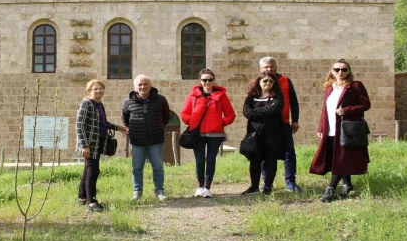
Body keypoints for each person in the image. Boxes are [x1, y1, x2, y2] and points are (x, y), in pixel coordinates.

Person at [309, 59, 371, 202]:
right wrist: (322, 127)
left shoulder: (355, 86)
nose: (340, 73)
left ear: (349, 71)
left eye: (344, 70)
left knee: (341, 158)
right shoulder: (329, 88)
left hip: (346, 129)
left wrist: (346, 110)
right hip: (330, 128)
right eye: (337, 70)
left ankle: (330, 189)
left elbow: (366, 104)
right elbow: (325, 109)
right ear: (332, 71)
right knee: (338, 157)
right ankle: (348, 185)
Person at [180, 68, 236, 198]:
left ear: (213, 80)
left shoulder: (221, 96)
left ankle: (207, 188)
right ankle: (199, 186)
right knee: (199, 160)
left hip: (215, 134)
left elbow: (230, 114)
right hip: (197, 134)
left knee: (211, 160)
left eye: (210, 80)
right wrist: (192, 121)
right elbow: (184, 113)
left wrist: (220, 123)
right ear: (200, 81)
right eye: (204, 80)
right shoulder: (193, 96)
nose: (207, 82)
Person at [75, 80, 128, 212]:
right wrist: (84, 145)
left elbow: (102, 123)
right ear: (89, 90)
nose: (98, 91)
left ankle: (82, 198)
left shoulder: (99, 104)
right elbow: (79, 125)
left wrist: (117, 127)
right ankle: (92, 202)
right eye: (95, 89)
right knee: (93, 171)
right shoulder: (86, 104)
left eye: (100, 88)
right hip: (90, 144)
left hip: (99, 142)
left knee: (88, 170)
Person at [122, 74, 170, 202]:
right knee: (137, 168)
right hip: (137, 140)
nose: (143, 86)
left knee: (158, 167)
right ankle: (137, 192)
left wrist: (157, 128)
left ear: (150, 86)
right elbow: (125, 120)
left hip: (156, 140)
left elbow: (166, 118)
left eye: (145, 84)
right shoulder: (128, 101)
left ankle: (159, 191)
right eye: (140, 84)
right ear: (135, 87)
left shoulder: (161, 100)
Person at [258, 57, 302, 192]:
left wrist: (295, 120)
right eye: (266, 67)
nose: (269, 69)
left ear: (276, 67)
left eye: (272, 66)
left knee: (289, 153)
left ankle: (290, 182)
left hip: (283, 123)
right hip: (265, 125)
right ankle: (267, 183)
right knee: (265, 155)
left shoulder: (286, 81)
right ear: (261, 69)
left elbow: (293, 101)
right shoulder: (257, 82)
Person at [241, 72, 286, 196]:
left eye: (271, 81)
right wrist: (265, 111)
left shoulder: (277, 96)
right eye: (265, 81)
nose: (268, 83)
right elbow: (247, 112)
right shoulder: (251, 97)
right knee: (255, 161)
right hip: (255, 134)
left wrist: (257, 111)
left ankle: (267, 186)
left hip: (272, 134)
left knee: (270, 160)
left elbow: (276, 109)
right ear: (259, 82)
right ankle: (254, 186)